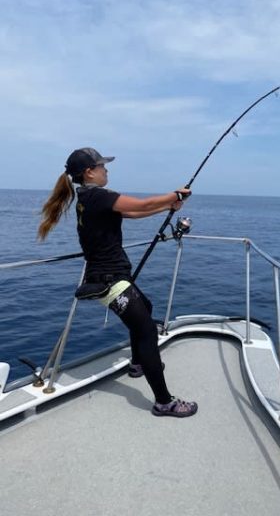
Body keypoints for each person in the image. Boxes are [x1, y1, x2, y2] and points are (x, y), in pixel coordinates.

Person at [38, 147, 197, 418]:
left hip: (112, 276)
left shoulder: (87, 198)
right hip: (109, 281)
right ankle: (164, 402)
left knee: (145, 307)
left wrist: (168, 206)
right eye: (102, 166)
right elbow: (142, 205)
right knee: (147, 333)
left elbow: (133, 213)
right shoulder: (99, 196)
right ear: (89, 172)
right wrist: (175, 195)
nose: (106, 170)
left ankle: (137, 364)